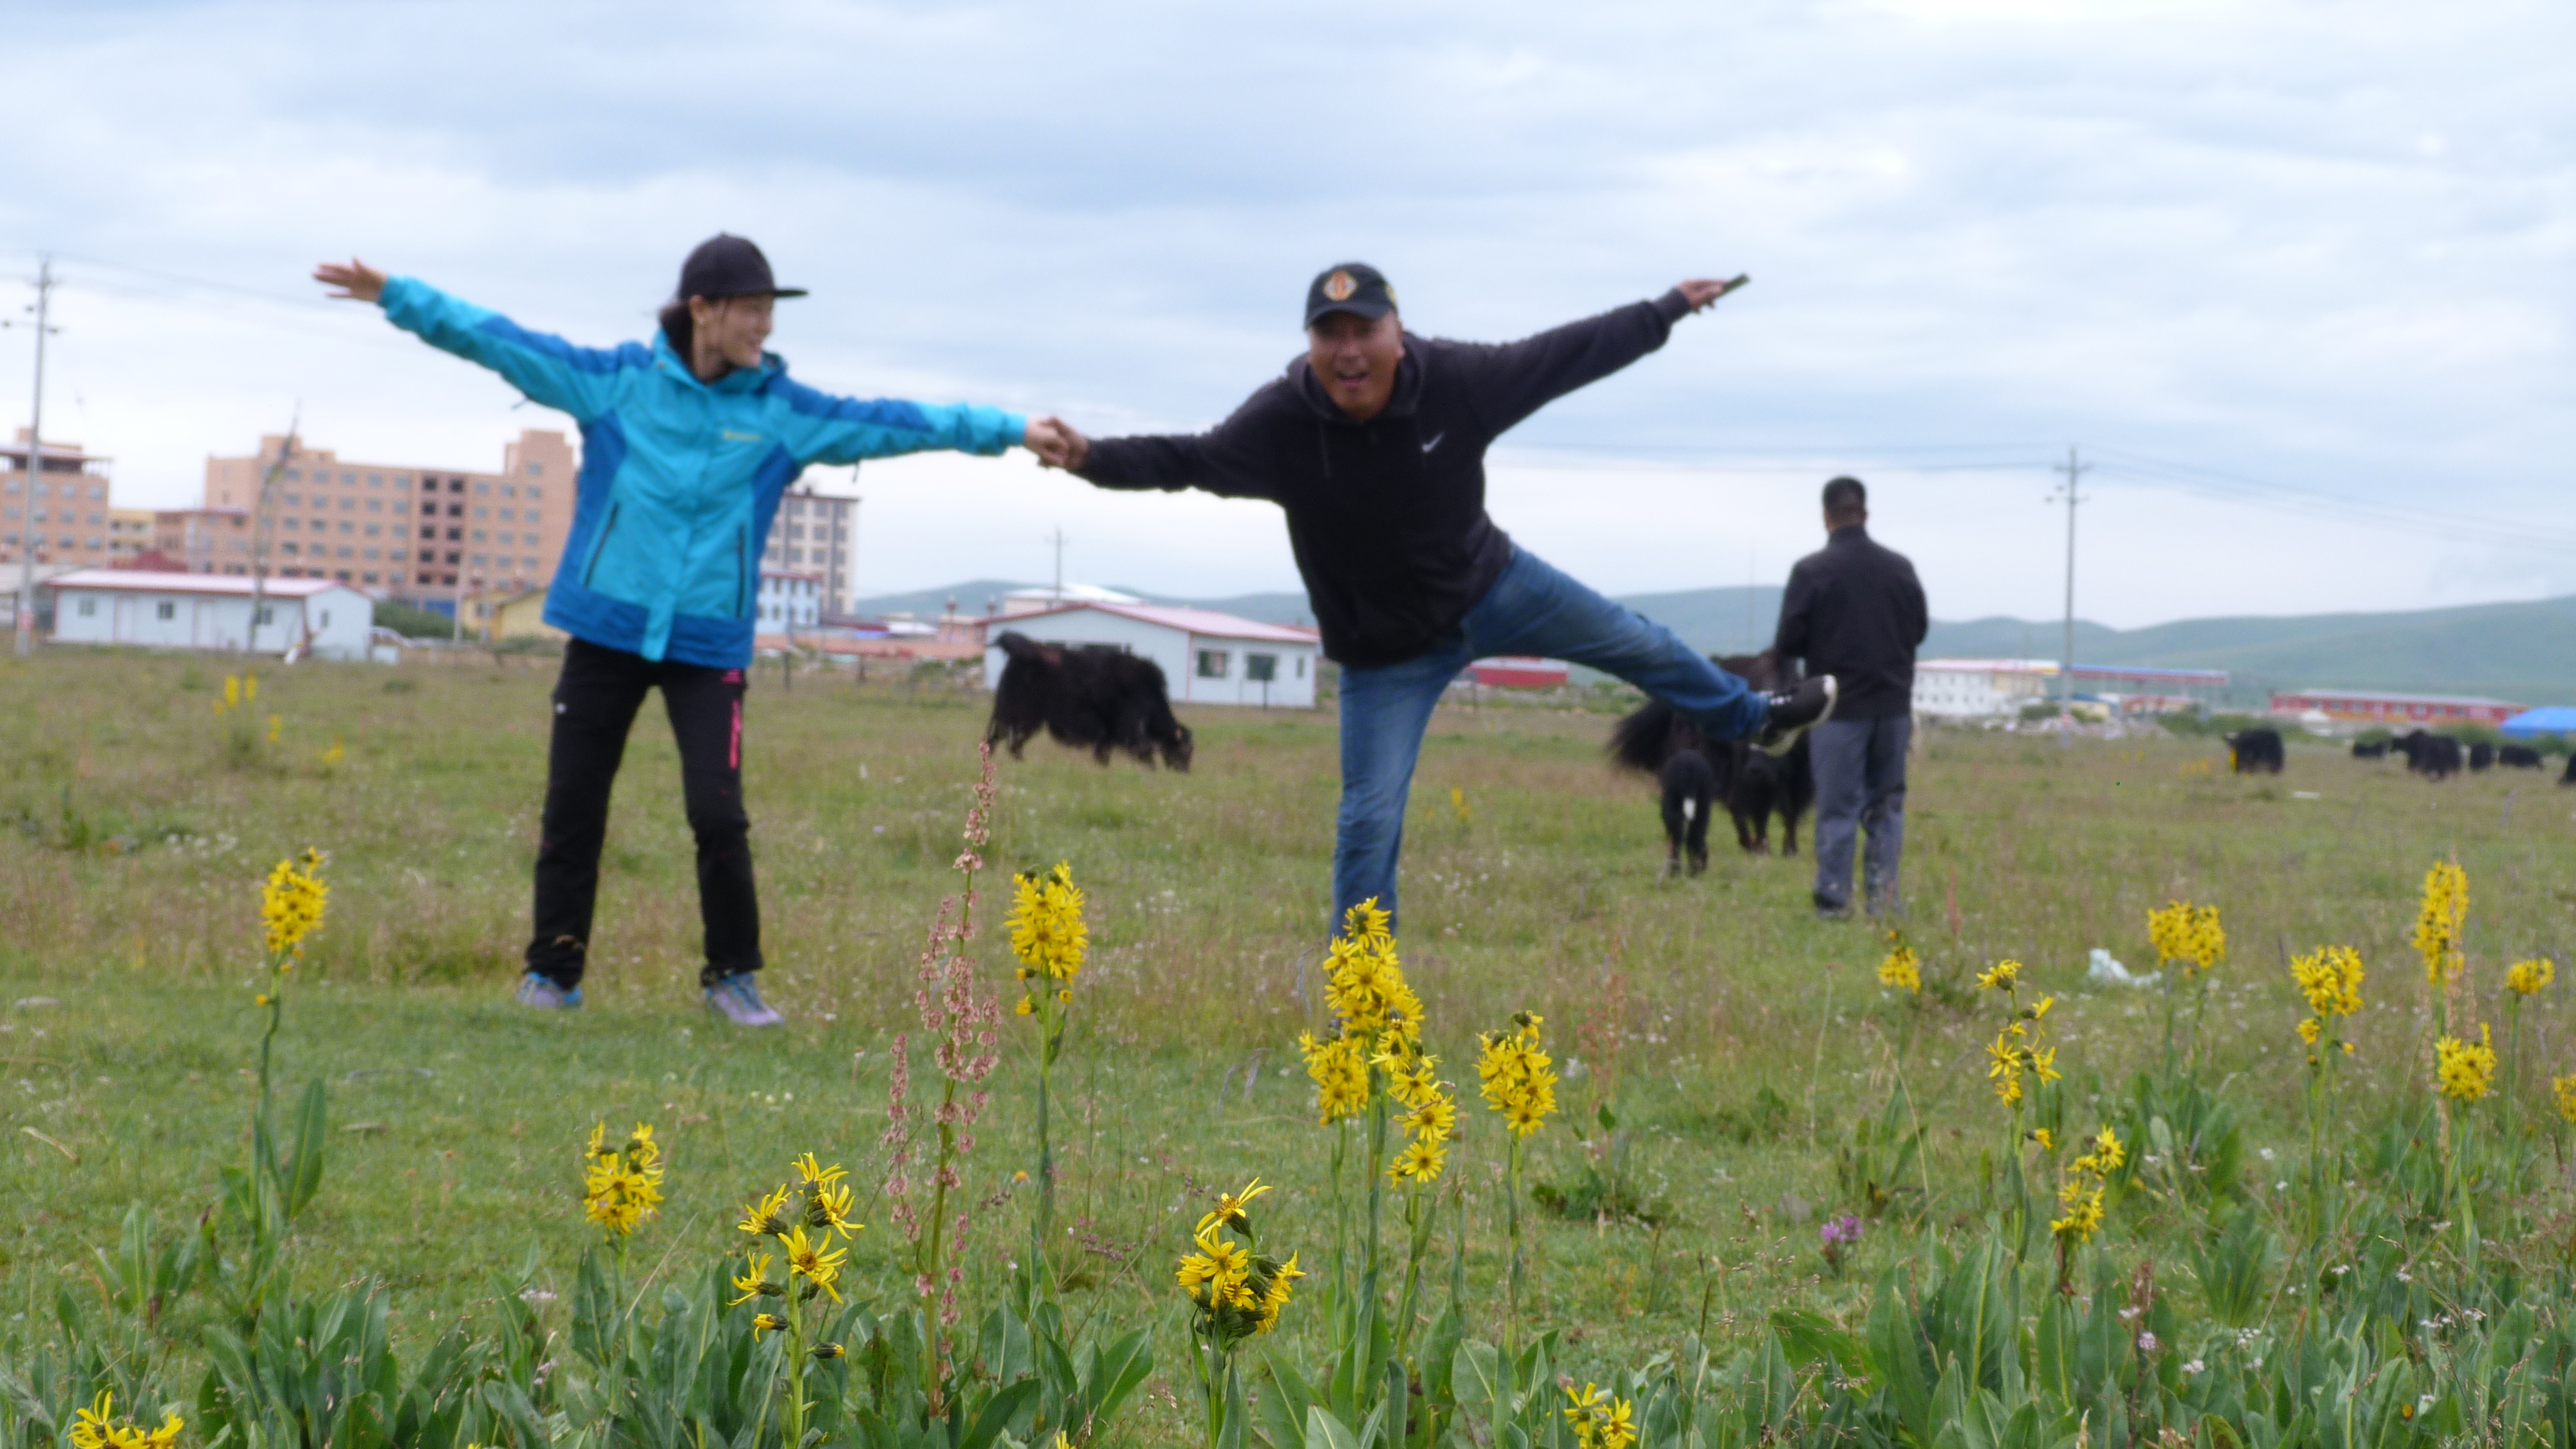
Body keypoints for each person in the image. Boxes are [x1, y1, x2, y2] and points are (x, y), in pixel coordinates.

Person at [315, 236, 1077, 1024]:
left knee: (718, 816)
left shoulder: (784, 412)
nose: (764, 329)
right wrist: (395, 295)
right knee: (573, 810)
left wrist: (1014, 427)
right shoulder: (614, 384)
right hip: (604, 633)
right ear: (702, 310)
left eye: (770, 312)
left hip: (708, 643)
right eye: (751, 310)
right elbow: (499, 340)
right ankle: (552, 976)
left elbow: (901, 422)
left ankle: (732, 979)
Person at [1041, 262, 1836, 930]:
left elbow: (1566, 355)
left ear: (1397, 331)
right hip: (1387, 654)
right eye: (1330, 334)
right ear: (1311, 343)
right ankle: (1364, 998)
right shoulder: (1282, 422)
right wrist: (1090, 455)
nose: (1349, 352)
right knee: (1368, 823)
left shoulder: (1458, 380)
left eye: (1364, 331)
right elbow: (1187, 457)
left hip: (1495, 588)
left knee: (1642, 643)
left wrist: (1663, 311)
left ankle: (1754, 719)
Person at [1773, 476, 1926, 919]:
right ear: (1865, 512)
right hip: (1893, 708)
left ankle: (1834, 901)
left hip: (1836, 711)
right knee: (1886, 807)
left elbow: (1789, 641)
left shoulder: (1812, 571)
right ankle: (1883, 903)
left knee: (1838, 808)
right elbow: (1918, 631)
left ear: (1826, 516)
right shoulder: (1900, 568)